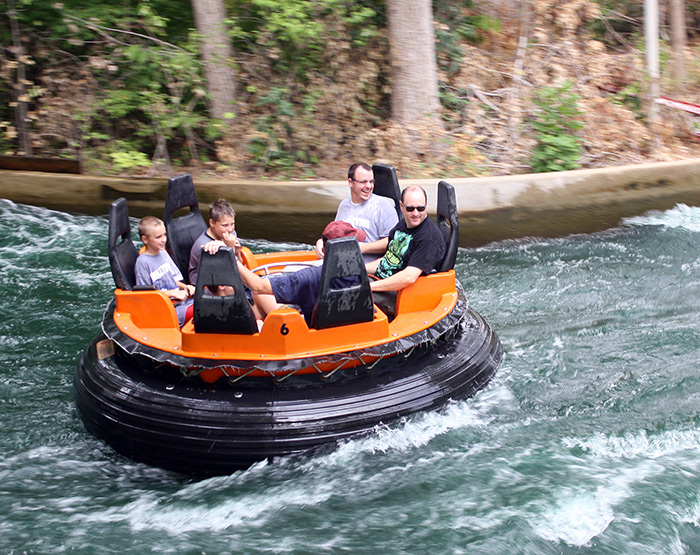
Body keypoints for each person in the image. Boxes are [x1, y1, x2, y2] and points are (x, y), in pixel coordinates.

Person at [237, 221, 367, 324]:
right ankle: (259, 323)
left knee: (259, 294)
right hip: (345, 328)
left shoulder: (308, 278)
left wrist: (232, 259)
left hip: (314, 334)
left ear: (323, 248)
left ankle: (257, 329)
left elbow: (258, 287)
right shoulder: (360, 273)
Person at [365, 185, 446, 314]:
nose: (415, 213)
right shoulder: (404, 225)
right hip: (380, 283)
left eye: (420, 208)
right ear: (401, 206)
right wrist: (360, 268)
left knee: (346, 296)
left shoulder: (429, 239)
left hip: (399, 296)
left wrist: (367, 287)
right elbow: (387, 261)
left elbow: (408, 277)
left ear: (426, 205)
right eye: (410, 208)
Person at [315, 163, 398, 263]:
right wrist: (322, 242)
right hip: (338, 262)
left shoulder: (383, 206)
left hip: (365, 268)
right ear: (351, 182)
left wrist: (360, 248)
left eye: (371, 182)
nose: (368, 186)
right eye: (363, 182)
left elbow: (394, 242)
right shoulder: (344, 205)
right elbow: (335, 234)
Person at [134, 216, 194, 327]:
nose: (164, 239)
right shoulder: (142, 263)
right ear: (145, 240)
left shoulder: (163, 253)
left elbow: (172, 279)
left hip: (181, 301)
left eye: (164, 235)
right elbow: (145, 296)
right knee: (202, 310)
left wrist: (185, 287)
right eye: (158, 237)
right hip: (167, 310)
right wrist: (171, 293)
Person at [188, 198, 241, 290]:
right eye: (224, 225)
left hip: (224, 277)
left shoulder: (231, 234)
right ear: (212, 223)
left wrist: (237, 252)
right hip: (204, 286)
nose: (230, 229)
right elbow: (225, 273)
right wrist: (230, 248)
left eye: (232, 224)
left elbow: (239, 265)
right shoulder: (204, 246)